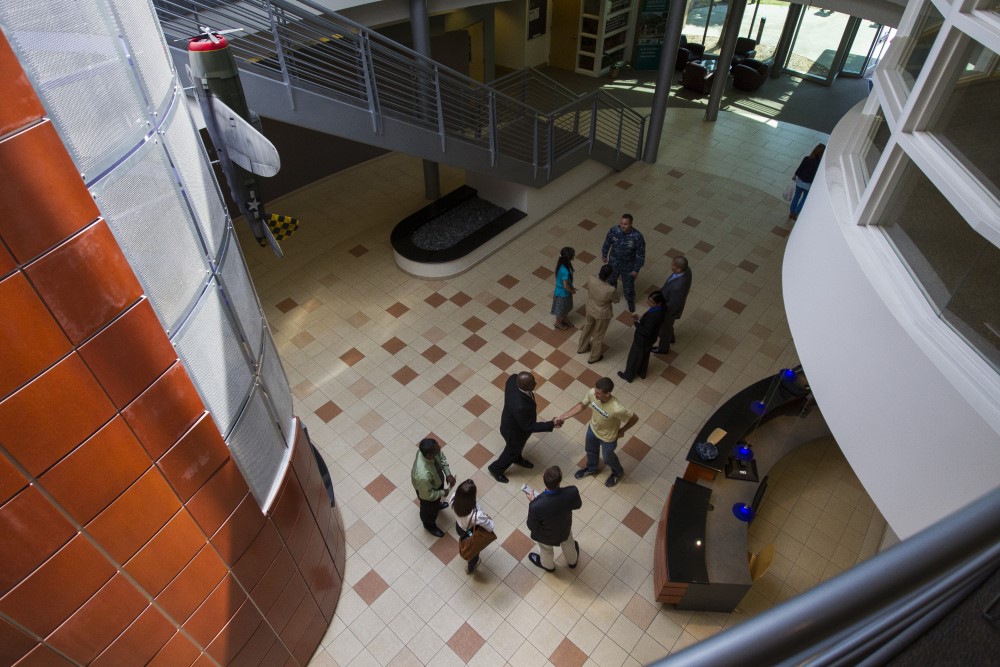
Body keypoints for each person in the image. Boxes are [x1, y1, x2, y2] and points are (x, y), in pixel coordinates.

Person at [557, 377, 638, 488]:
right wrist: (563, 417)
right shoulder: (592, 392)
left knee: (607, 458)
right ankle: (592, 468)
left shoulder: (617, 408)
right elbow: (582, 405)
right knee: (590, 451)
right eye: (595, 391)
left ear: (608, 394)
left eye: (599, 394)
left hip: (608, 438)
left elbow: (634, 418)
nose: (595, 395)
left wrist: (622, 430)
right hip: (593, 429)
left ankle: (617, 472)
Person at [488, 371, 563, 483]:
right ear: (523, 386)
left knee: (517, 448)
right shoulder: (520, 406)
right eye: (532, 384)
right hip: (514, 432)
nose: (535, 383)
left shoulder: (513, 379)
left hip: (511, 422)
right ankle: (496, 469)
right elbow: (529, 427)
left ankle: (517, 458)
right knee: (511, 451)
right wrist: (551, 424)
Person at [526, 466, 582, 572]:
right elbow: (577, 505)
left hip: (545, 535)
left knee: (545, 550)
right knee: (569, 543)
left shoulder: (536, 505)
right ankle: (572, 562)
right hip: (564, 527)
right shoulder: (572, 491)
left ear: (543, 479)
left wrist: (533, 501)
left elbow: (531, 526)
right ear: (560, 480)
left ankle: (549, 567)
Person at [601, 213, 646, 313]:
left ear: (631, 224)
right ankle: (612, 296)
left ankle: (630, 300)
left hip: (628, 265)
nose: (622, 226)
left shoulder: (637, 236)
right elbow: (607, 242)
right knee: (611, 281)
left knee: (628, 286)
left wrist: (636, 269)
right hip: (613, 262)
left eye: (625, 224)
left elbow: (640, 255)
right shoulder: (614, 230)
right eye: (621, 223)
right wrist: (604, 255)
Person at [577, 263, 621, 364]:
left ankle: (581, 348)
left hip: (590, 308)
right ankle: (594, 357)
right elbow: (616, 300)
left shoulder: (591, 278)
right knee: (599, 335)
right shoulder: (610, 289)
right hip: (602, 314)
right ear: (610, 276)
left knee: (587, 327)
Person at [411, 438, 455, 537]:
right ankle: (429, 526)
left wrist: (447, 473)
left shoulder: (429, 452)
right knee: (428, 510)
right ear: (429, 455)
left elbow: (441, 457)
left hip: (435, 481)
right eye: (437, 449)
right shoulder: (422, 476)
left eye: (438, 446)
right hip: (426, 491)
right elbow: (428, 495)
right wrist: (443, 492)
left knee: (435, 502)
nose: (440, 449)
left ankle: (437, 505)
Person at [619, 291, 666, 382]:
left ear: (659, 303)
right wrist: (642, 319)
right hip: (650, 339)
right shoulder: (660, 310)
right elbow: (651, 325)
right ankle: (642, 372)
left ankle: (628, 376)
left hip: (642, 340)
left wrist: (636, 323)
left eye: (651, 302)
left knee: (634, 358)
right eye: (648, 300)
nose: (648, 303)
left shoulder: (653, 315)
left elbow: (646, 331)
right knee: (644, 356)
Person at [452, 479, 495, 574]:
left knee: (465, 541)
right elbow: (490, 527)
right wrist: (487, 518)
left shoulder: (453, 498)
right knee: (473, 549)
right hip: (470, 531)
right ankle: (471, 566)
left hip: (459, 527)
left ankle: (467, 553)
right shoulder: (477, 515)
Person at [653, 256, 692, 354]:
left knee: (664, 329)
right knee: (668, 326)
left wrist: (660, 308)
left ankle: (663, 348)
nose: (671, 265)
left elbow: (672, 305)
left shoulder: (678, 287)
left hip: (669, 311)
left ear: (679, 269)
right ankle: (671, 338)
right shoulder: (687, 270)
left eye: (673, 264)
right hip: (671, 304)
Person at [789, 143, 826, 221]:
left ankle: (791, 212)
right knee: (804, 199)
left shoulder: (807, 158)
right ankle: (796, 213)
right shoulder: (820, 164)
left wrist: (795, 175)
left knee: (796, 196)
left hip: (800, 182)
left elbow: (800, 167)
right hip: (809, 185)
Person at [552, 247, 577, 329]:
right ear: (568, 258)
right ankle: (558, 323)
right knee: (560, 310)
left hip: (565, 293)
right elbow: (565, 286)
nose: (574, 257)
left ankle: (565, 319)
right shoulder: (565, 271)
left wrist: (572, 287)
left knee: (567, 307)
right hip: (562, 294)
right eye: (572, 256)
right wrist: (572, 291)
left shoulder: (563, 264)